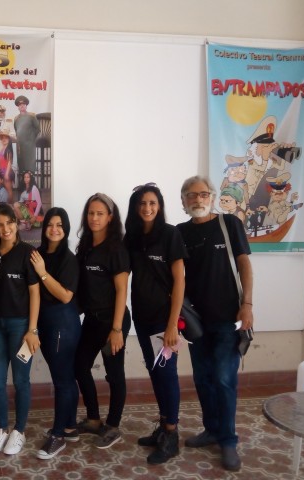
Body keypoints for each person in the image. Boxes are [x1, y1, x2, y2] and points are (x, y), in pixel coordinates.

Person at [177, 175, 254, 472]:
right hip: (195, 322)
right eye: (190, 195)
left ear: (211, 196)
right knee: (203, 378)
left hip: (228, 319)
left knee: (223, 378)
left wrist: (247, 305)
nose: (197, 199)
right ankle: (211, 429)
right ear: (183, 201)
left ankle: (228, 440)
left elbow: (244, 264)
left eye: (202, 194)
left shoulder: (228, 224)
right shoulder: (180, 232)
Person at [124, 183, 186, 464]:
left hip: (164, 320)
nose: (147, 208)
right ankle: (162, 426)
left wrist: (172, 325)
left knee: (167, 374)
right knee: (155, 371)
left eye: (152, 203)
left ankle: (171, 435)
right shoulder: (133, 237)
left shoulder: (170, 234)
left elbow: (179, 281)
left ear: (159, 206)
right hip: (142, 316)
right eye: (142, 203)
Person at [0, 203, 40, 456]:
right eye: (0, 224)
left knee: (21, 380)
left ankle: (19, 431)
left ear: (16, 223)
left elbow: (35, 293)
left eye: (9, 223)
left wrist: (32, 330)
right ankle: (2, 429)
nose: (5, 229)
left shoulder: (27, 252)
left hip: (21, 326)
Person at [74, 192, 131, 450]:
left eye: (100, 213)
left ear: (110, 217)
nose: (94, 218)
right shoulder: (85, 247)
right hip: (92, 320)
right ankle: (94, 419)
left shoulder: (116, 249)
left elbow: (121, 290)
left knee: (114, 374)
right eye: (91, 213)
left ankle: (113, 425)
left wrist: (116, 329)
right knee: (79, 366)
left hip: (113, 322)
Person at [29, 207, 81, 460]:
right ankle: (69, 427)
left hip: (63, 323)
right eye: (50, 224)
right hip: (45, 322)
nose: (54, 229)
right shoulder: (37, 254)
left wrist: (42, 272)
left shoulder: (68, 259)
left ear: (66, 229)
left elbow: (65, 295)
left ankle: (58, 435)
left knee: (62, 380)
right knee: (65, 378)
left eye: (60, 225)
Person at [13, 95, 40, 175]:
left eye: (23, 104)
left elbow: (37, 129)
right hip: (20, 146)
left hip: (29, 146)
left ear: (26, 105)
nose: (22, 106)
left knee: (30, 166)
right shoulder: (16, 118)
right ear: (18, 107)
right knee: (21, 166)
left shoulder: (32, 116)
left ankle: (31, 182)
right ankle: (22, 182)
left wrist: (31, 139)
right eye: (20, 105)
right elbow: (16, 131)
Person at [0, 128, 16, 201]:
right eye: (2, 138)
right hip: (2, 172)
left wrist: (6, 174)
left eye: (6, 138)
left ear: (9, 140)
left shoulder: (8, 150)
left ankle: (10, 205)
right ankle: (6, 204)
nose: (4, 139)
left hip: (7, 172)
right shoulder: (2, 149)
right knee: (5, 190)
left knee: (9, 190)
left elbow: (9, 162)